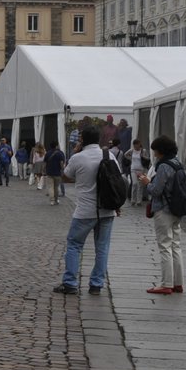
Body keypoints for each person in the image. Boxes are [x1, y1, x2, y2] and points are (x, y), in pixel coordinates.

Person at [53, 125, 118, 295]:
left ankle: (70, 283)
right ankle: (96, 284)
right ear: (98, 139)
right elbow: (117, 181)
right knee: (102, 248)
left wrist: (74, 153)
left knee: (74, 245)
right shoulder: (109, 155)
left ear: (82, 140)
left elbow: (65, 177)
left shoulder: (78, 158)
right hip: (107, 209)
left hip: (85, 210)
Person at [140, 136, 186, 294]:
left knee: (165, 245)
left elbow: (156, 190)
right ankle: (178, 282)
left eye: (155, 151)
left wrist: (147, 182)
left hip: (164, 209)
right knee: (176, 245)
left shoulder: (164, 166)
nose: (154, 154)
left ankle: (166, 284)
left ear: (160, 151)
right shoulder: (178, 163)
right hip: (177, 208)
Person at [127, 139, 149, 205]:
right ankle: (133, 200)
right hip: (133, 169)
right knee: (134, 184)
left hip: (141, 169)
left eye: (136, 144)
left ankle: (139, 200)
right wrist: (131, 159)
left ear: (139, 144)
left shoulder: (143, 151)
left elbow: (148, 158)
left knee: (140, 185)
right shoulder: (131, 150)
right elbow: (126, 154)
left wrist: (143, 156)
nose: (135, 146)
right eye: (134, 145)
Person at [43, 141, 65, 205]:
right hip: (57, 173)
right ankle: (56, 199)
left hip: (49, 172)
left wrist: (43, 170)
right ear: (56, 146)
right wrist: (62, 169)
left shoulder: (47, 153)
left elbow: (45, 163)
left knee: (50, 187)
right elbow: (61, 164)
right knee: (56, 187)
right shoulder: (60, 153)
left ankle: (52, 201)